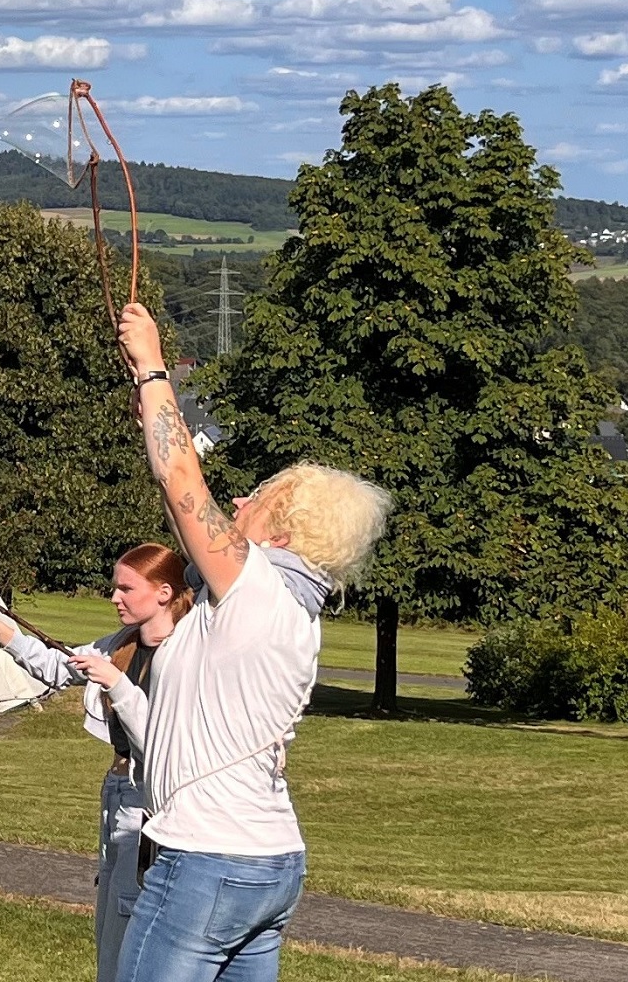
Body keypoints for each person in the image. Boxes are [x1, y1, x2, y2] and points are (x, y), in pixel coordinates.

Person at [105, 302, 392, 982]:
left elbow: (182, 485)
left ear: (283, 532)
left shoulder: (257, 586)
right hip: (268, 865)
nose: (237, 506)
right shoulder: (282, 609)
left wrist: (152, 365)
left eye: (256, 500)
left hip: (205, 861)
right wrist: (147, 407)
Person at [0, 543, 193, 981]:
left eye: (125, 588)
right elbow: (56, 664)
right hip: (117, 794)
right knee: (109, 924)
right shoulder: (122, 644)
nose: (114, 598)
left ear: (163, 592)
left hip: (152, 803)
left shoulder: (188, 656)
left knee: (132, 922)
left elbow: (162, 745)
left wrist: (117, 684)